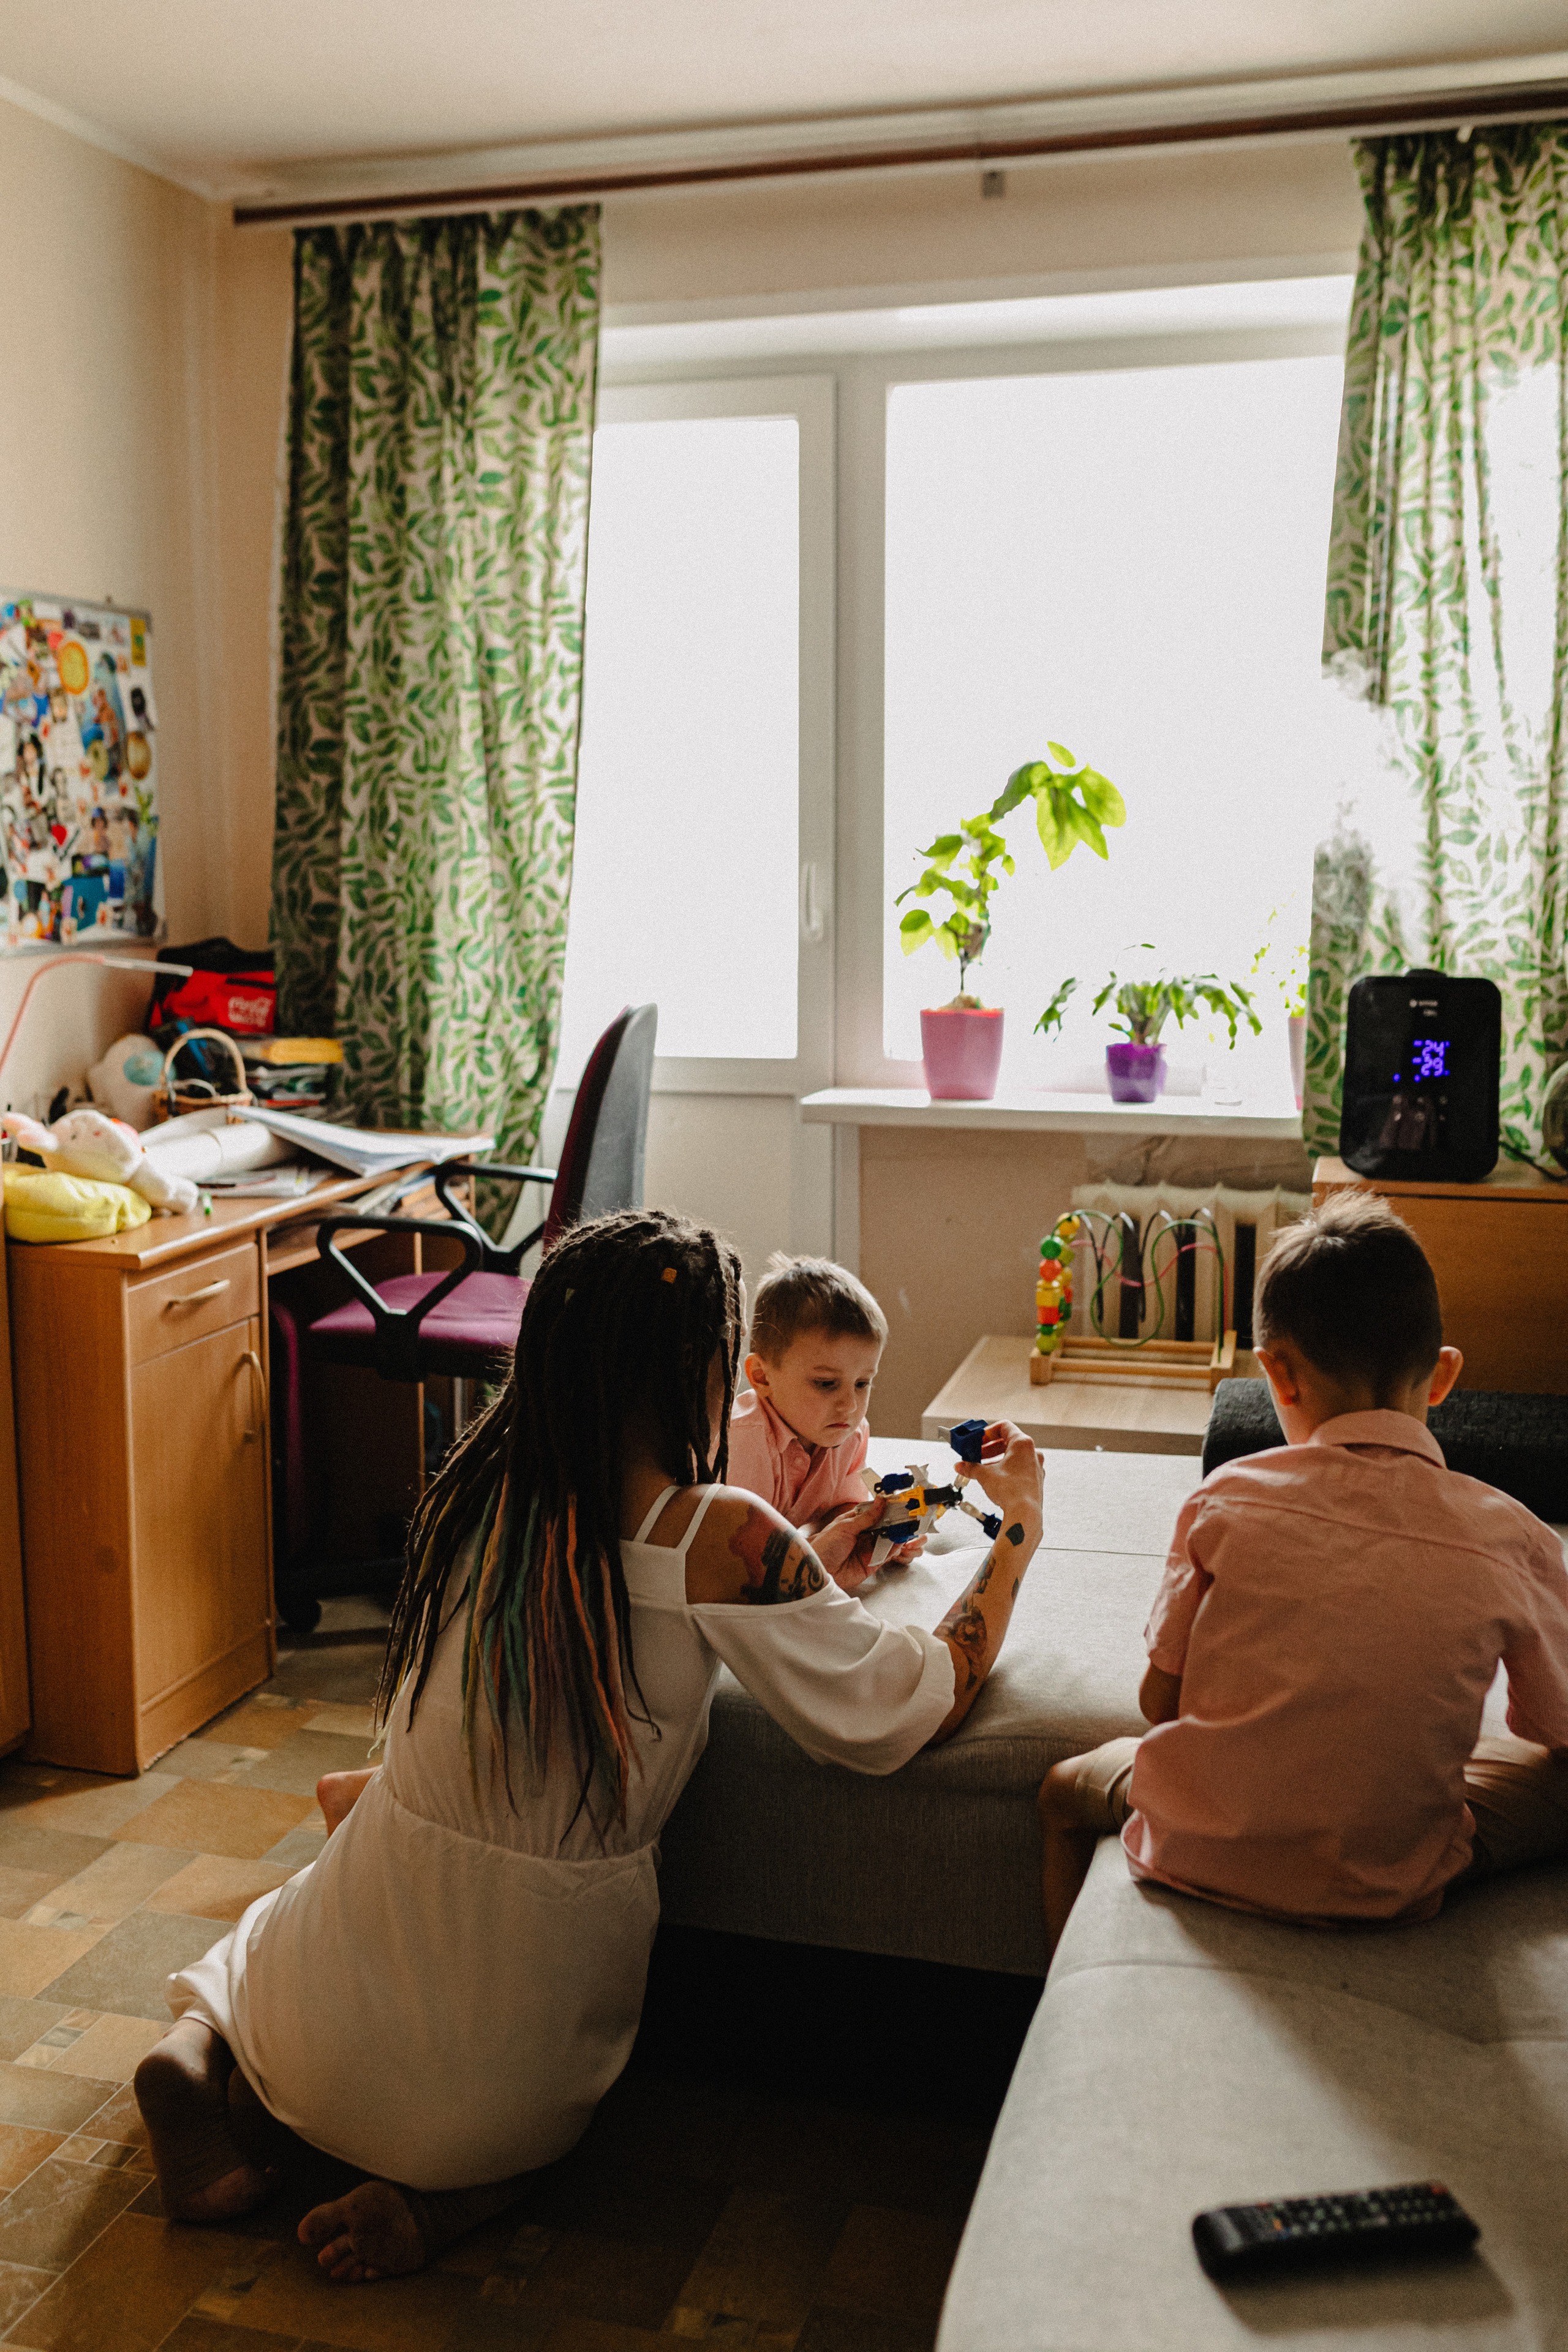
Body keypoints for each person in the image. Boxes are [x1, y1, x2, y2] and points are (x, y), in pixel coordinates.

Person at [136, 1208, 1045, 2284]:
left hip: (324, 1989)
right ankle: (441, 2200)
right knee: (549, 2131)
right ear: (714, 1373)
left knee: (262, 1942)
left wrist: (813, 1571)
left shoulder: (486, 1492)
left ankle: (199, 2053)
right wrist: (1018, 1534)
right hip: (502, 2031)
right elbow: (903, 1709)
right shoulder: (718, 1531)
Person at [1038, 1191, 1568, 1951]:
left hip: (1197, 1847)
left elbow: (1160, 1703)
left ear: (1274, 1376)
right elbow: (1550, 1728)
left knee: (1062, 1792)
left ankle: (1056, 1998)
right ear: (1444, 1376)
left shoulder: (1220, 1501)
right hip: (1389, 1885)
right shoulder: (1514, 1537)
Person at [725, 1253, 915, 1588]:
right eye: (826, 1384)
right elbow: (741, 1561)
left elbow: (839, 1506)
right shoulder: (745, 1440)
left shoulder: (849, 1433)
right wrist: (813, 1556)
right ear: (762, 1377)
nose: (850, 1405)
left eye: (863, 1383)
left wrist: (872, 1531)